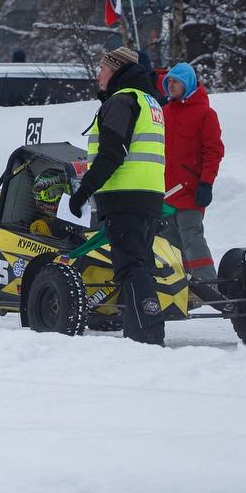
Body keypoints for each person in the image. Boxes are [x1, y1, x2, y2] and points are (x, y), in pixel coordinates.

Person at [68, 46, 167, 346]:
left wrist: (83, 192)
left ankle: (145, 334)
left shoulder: (122, 100)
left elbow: (112, 153)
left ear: (117, 70)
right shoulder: (151, 102)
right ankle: (145, 329)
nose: (98, 75)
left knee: (130, 267)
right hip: (149, 196)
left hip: (125, 197)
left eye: (103, 69)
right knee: (141, 264)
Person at [161, 62, 224, 286]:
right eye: (168, 81)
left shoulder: (206, 114)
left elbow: (213, 152)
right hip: (165, 191)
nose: (171, 85)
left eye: (175, 81)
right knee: (168, 242)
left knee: (191, 238)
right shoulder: (165, 112)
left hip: (191, 190)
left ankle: (208, 287)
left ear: (186, 83)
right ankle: (178, 289)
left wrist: (206, 184)